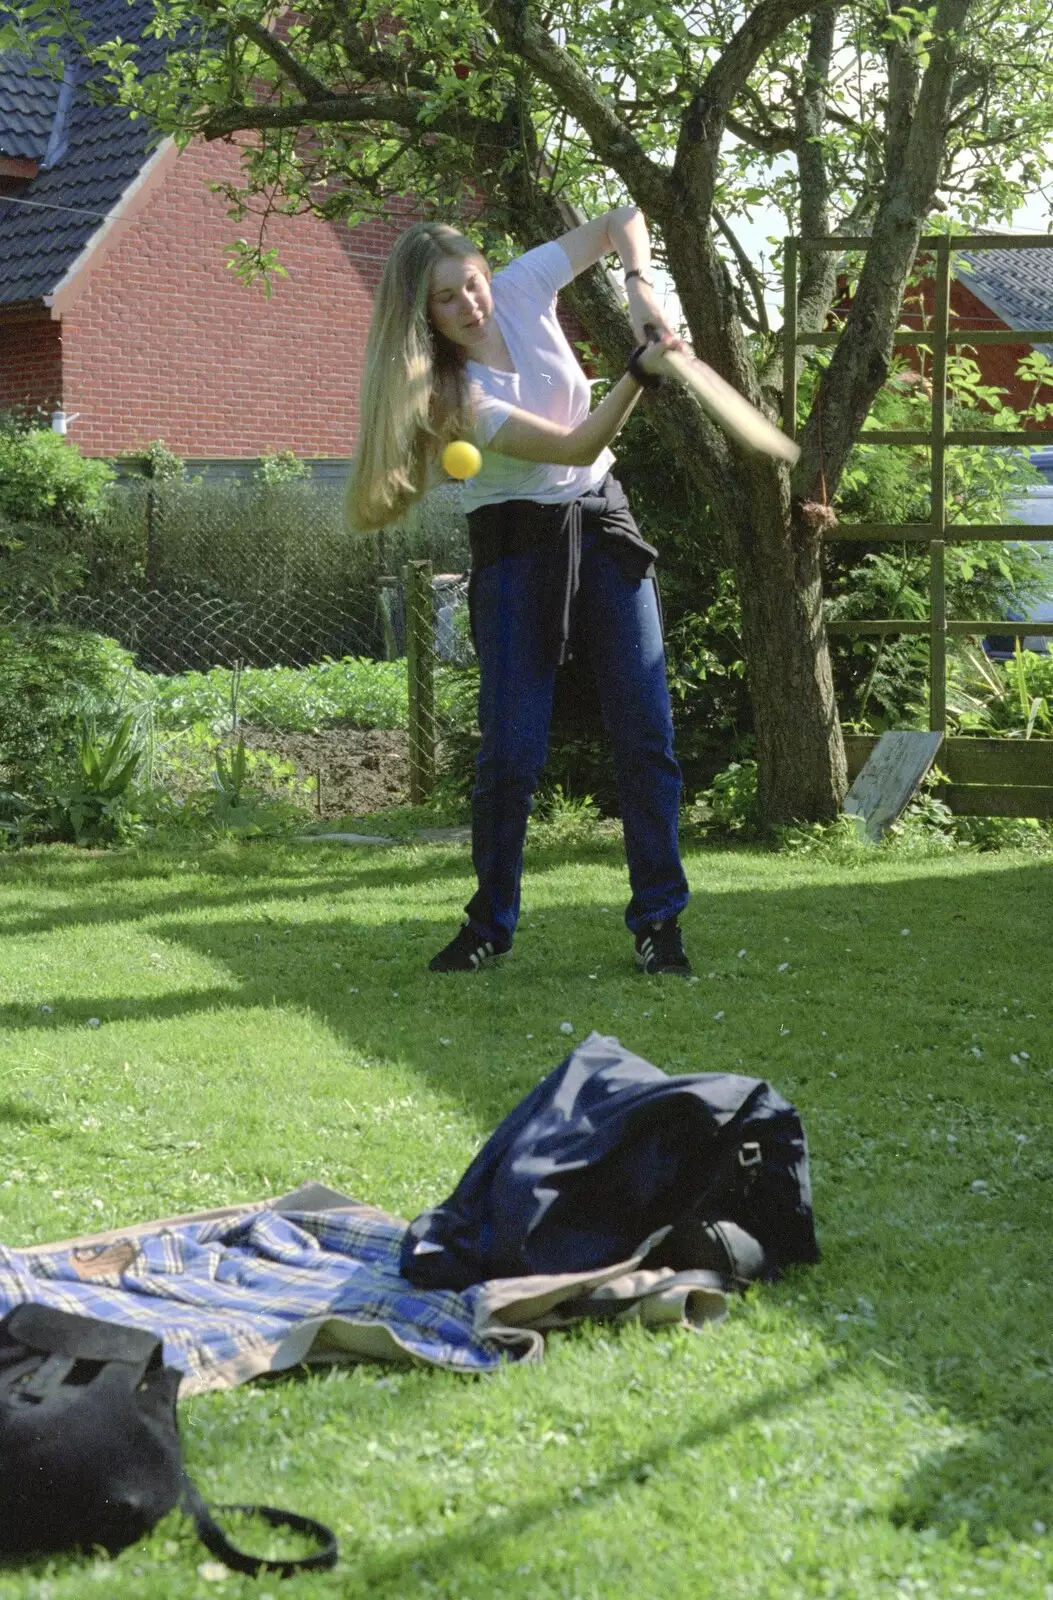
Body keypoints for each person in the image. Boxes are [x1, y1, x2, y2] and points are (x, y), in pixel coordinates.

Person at [346, 206, 691, 975]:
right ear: (421, 314)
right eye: (447, 298)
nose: (472, 304)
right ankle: (489, 925)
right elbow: (576, 442)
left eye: (472, 284)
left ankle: (659, 924)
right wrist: (639, 371)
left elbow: (621, 218)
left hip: (603, 526)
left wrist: (640, 290)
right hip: (514, 550)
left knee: (645, 737)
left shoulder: (522, 286)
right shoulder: (442, 392)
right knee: (510, 755)